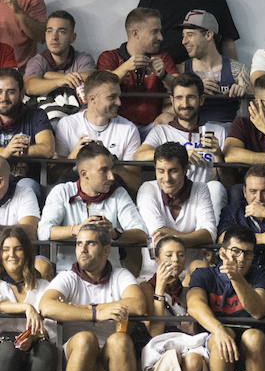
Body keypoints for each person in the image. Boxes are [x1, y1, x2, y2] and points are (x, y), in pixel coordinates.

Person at [185, 228, 265, 371]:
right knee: (218, 339)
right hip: (218, 341)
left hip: (250, 343)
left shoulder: (261, 274)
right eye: (235, 251)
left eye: (247, 253)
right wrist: (219, 329)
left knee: (254, 337)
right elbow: (194, 305)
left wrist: (236, 278)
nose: (241, 258)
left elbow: (259, 310)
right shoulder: (204, 274)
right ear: (223, 253)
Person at [39, 142, 146, 271]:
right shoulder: (62, 191)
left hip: (110, 274)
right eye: (104, 170)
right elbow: (43, 232)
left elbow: (141, 233)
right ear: (84, 174)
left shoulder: (118, 192)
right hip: (69, 273)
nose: (112, 177)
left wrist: (115, 233)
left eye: (111, 169)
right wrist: (76, 230)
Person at [135, 73, 228, 219]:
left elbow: (229, 183)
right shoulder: (162, 131)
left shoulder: (217, 131)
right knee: (147, 188)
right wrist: (181, 154)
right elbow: (138, 156)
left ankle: (208, 237)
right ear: (172, 101)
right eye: (179, 98)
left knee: (216, 188)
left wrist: (218, 156)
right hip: (170, 197)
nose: (185, 104)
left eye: (190, 97)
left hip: (203, 202)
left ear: (201, 99)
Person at [137, 234, 199, 371]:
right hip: (155, 353)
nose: (175, 260)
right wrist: (160, 290)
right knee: (172, 356)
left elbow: (194, 333)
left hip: (185, 350)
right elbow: (155, 331)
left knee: (195, 358)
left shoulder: (189, 291)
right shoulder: (144, 287)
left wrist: (190, 328)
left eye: (180, 255)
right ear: (156, 259)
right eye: (169, 255)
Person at [0, 226, 56, 371]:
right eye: (5, 249)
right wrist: (26, 308)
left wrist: (33, 336)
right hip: (4, 351)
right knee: (7, 348)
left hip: (34, 348)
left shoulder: (43, 285)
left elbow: (51, 325)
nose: (11, 255)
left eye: (17, 249)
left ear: (27, 253)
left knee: (47, 349)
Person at [52, 70, 143, 193]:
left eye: (119, 97)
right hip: (74, 193)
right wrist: (74, 157)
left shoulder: (129, 129)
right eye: (112, 97)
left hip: (112, 194)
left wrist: (112, 163)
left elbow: (135, 184)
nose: (119, 102)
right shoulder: (67, 124)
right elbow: (52, 178)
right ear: (92, 99)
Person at [135, 142, 216, 269]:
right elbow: (159, 236)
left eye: (173, 171)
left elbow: (209, 235)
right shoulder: (147, 188)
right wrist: (195, 238)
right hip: (154, 273)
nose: (167, 178)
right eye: (161, 171)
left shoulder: (200, 188)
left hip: (193, 273)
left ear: (185, 169)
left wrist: (174, 237)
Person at [96, 7, 175, 131]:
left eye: (160, 31)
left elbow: (181, 88)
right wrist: (125, 68)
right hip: (118, 127)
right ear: (135, 33)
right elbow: (99, 89)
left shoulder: (162, 57)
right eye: (155, 31)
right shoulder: (109, 57)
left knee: (168, 118)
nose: (161, 37)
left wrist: (164, 75)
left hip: (153, 127)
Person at [179, 9, 249, 127]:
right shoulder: (181, 69)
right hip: (192, 133)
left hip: (229, 136)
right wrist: (195, 90)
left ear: (208, 35)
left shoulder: (238, 70)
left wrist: (244, 96)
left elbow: (253, 113)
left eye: (190, 35)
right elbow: (168, 109)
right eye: (183, 36)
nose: (184, 41)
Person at [24, 10, 94, 120]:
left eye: (61, 32)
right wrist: (60, 81)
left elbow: (90, 79)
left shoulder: (83, 58)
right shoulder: (37, 61)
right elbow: (30, 87)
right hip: (46, 121)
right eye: (49, 31)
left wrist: (49, 76)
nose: (54, 37)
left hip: (79, 119)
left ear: (73, 37)